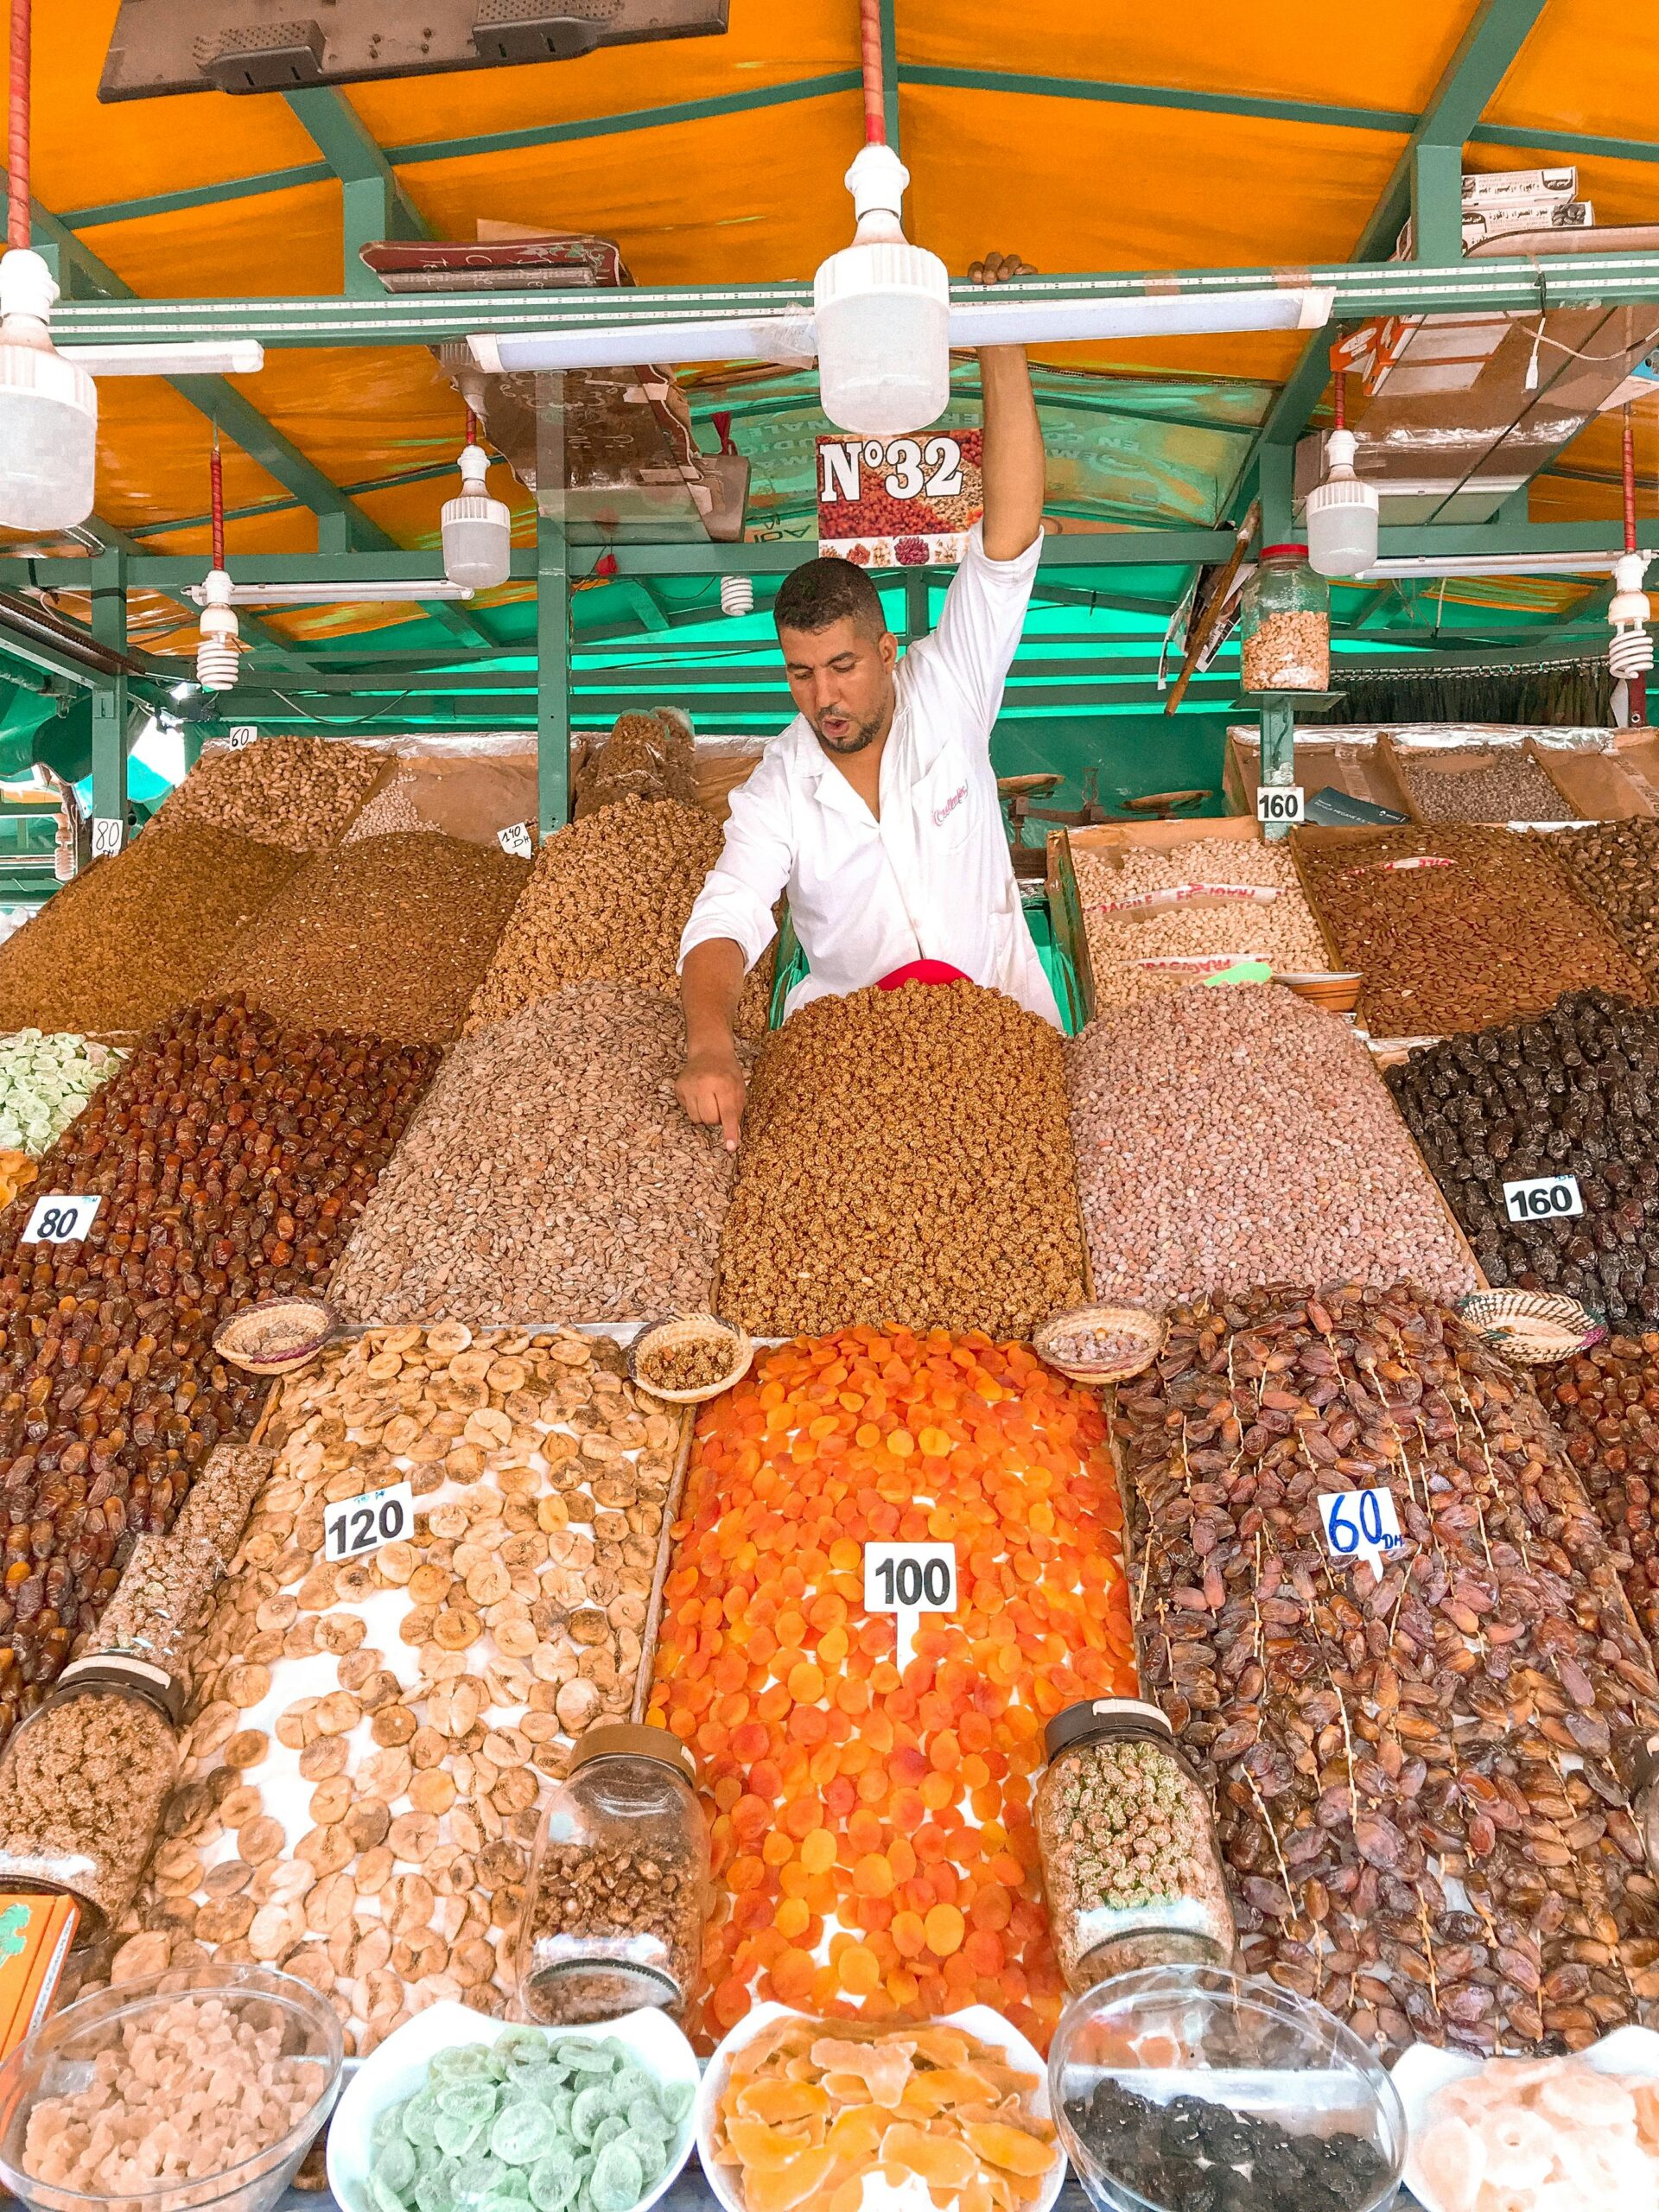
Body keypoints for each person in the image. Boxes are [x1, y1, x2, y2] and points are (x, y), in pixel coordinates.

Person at [675, 250, 1058, 1149]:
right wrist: (708, 1040)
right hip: (858, 1076)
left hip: (1003, 1042)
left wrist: (1001, 343)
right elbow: (729, 911)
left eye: (843, 666)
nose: (824, 696)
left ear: (888, 651)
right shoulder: (782, 781)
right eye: (801, 673)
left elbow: (1007, 542)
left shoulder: (950, 681)